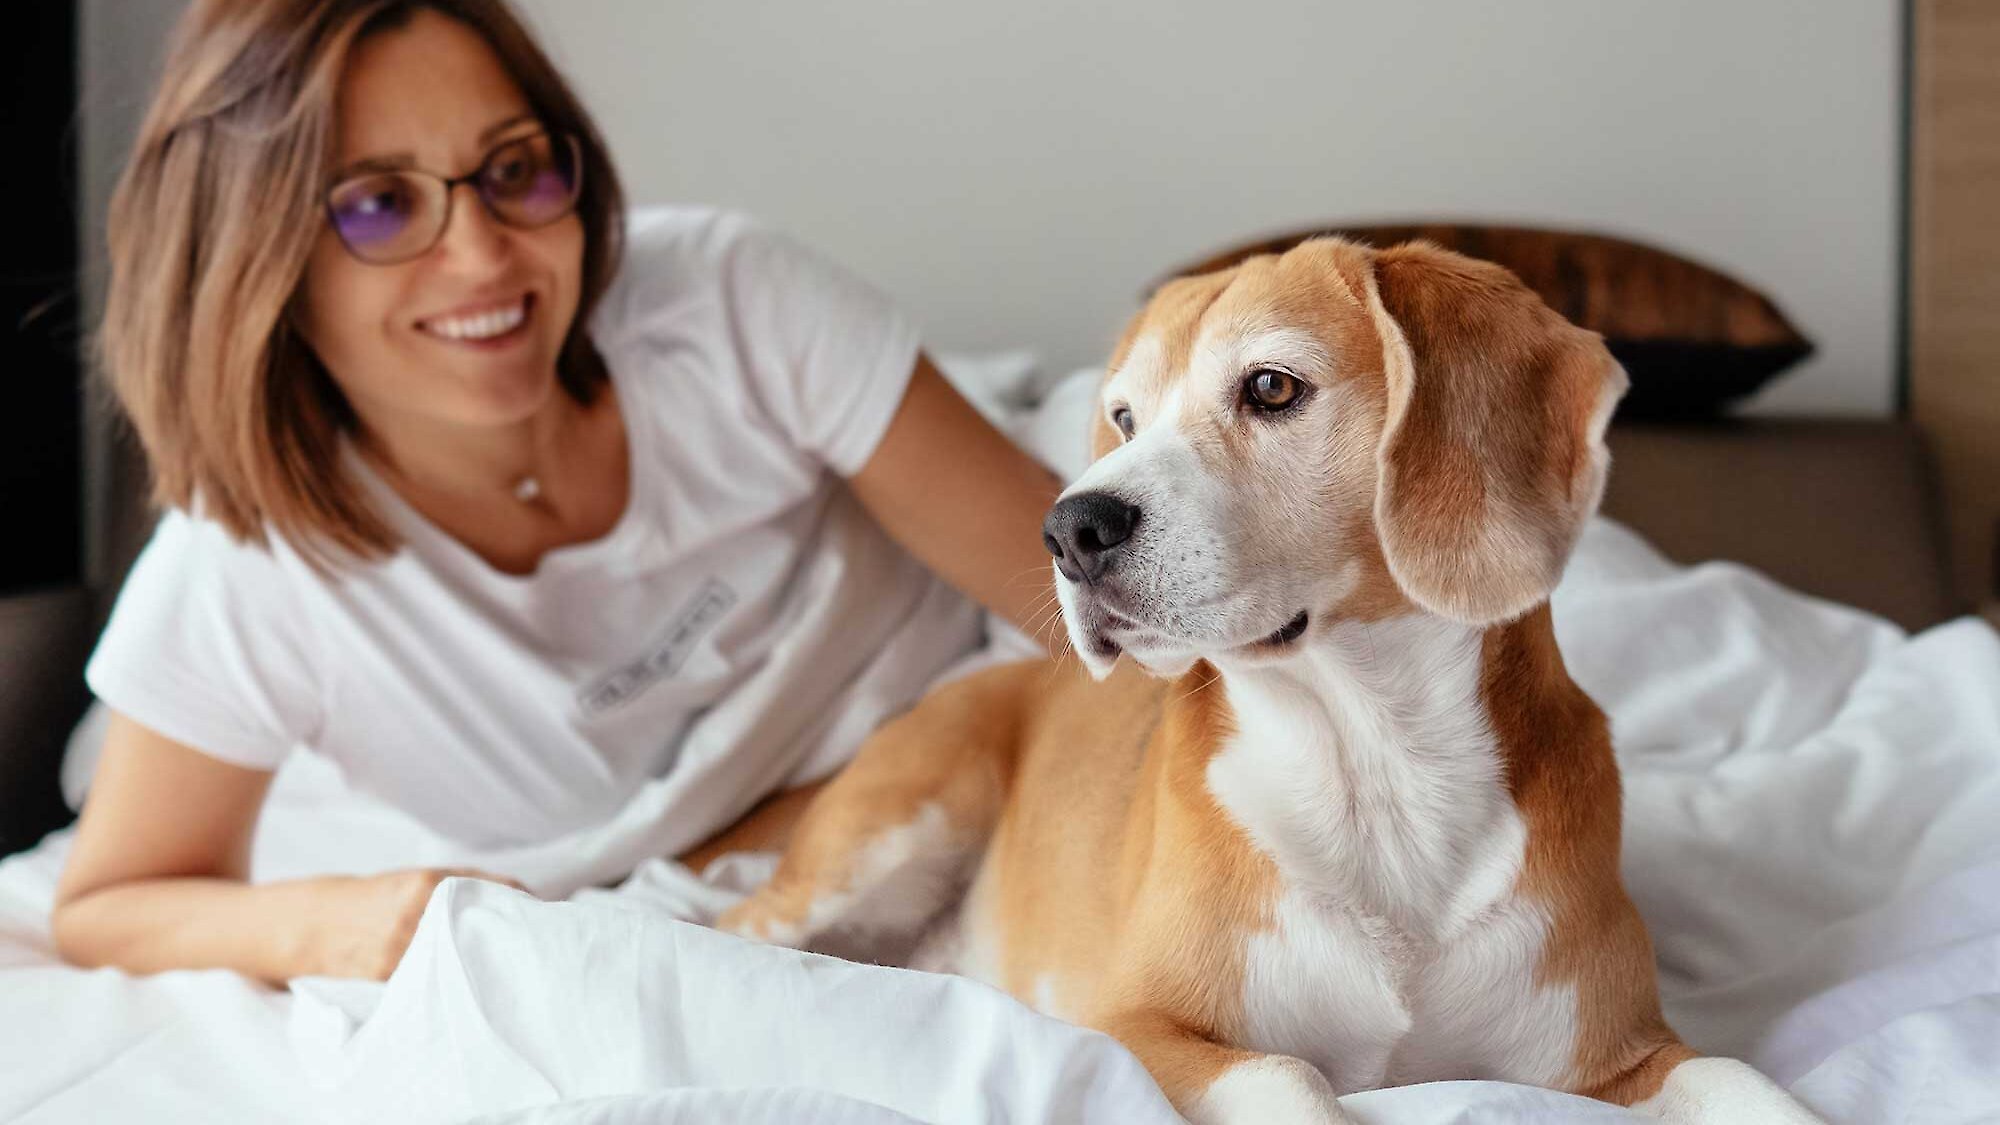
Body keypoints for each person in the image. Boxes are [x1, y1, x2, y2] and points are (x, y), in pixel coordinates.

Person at [51, 0, 1063, 985]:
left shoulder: (729, 304)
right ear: (252, 257)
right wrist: (337, 923)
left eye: (513, 170)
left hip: (983, 724)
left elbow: (1081, 620)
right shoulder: (252, 569)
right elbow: (109, 903)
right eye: (379, 203)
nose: (484, 254)